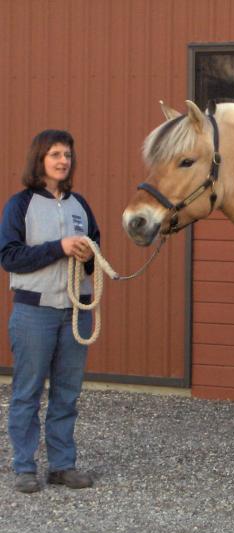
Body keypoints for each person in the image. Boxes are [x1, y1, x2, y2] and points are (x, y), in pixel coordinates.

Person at [0, 129, 100, 493]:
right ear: (39, 159)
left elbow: (95, 256)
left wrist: (88, 256)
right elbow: (9, 257)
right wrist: (59, 247)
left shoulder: (80, 205)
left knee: (66, 394)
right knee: (27, 392)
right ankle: (25, 467)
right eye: (55, 154)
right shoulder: (20, 205)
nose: (63, 161)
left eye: (67, 155)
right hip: (35, 312)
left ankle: (62, 465)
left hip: (75, 311)